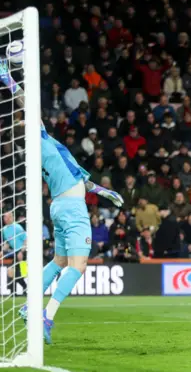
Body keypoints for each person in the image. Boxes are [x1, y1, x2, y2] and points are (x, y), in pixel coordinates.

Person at [20, 123, 123, 344]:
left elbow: (82, 181)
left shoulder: (45, 148)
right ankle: (46, 316)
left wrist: (104, 191)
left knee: (60, 260)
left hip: (59, 206)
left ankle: (30, 305)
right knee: (78, 265)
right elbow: (24, 100)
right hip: (73, 208)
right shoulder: (42, 141)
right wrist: (11, 86)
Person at [2, 212, 27, 295]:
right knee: (13, 273)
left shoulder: (17, 227)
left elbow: (26, 240)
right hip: (14, 252)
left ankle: (18, 290)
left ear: (12, 217)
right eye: (5, 217)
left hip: (23, 252)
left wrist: (21, 251)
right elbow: (8, 243)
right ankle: (18, 291)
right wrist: (2, 250)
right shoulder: (4, 229)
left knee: (17, 273)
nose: (6, 219)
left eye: (8, 217)